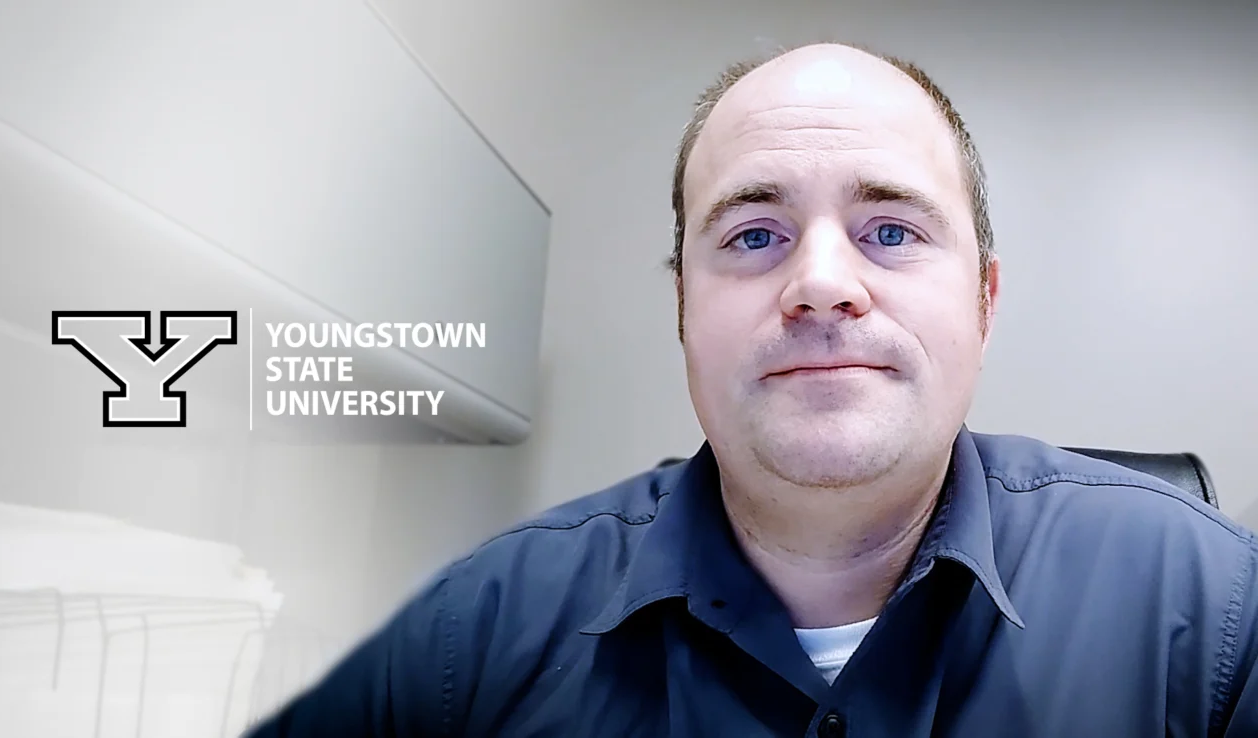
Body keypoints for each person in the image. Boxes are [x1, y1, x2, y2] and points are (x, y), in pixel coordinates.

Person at [245, 42, 1258, 737]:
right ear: (685, 306)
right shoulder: (473, 633)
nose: (820, 283)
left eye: (892, 231)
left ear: (984, 303)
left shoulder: (1218, 611)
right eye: (754, 236)